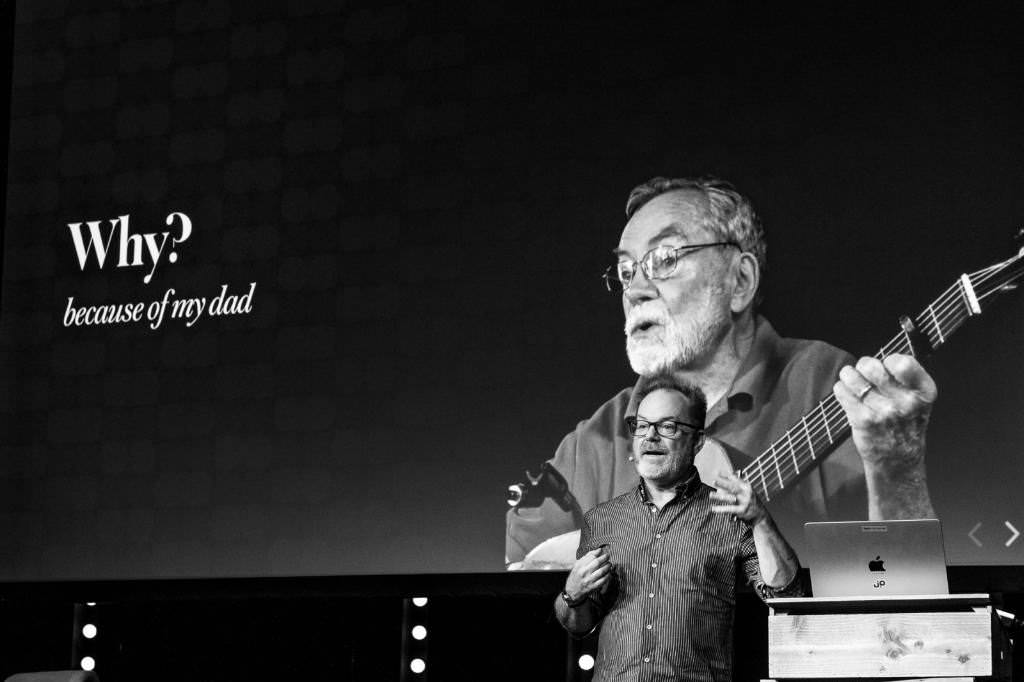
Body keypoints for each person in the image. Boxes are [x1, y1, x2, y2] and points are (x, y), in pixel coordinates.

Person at [507, 176, 937, 567]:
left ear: (740, 281)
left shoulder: (828, 386)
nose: (635, 290)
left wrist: (895, 468)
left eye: (665, 258)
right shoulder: (594, 443)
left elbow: (899, 588)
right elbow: (521, 592)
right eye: (626, 271)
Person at [555, 375, 805, 681]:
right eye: (642, 426)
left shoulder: (729, 515)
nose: (650, 437)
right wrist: (572, 595)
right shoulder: (602, 519)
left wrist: (761, 521)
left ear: (698, 441)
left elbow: (787, 596)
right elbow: (579, 624)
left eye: (668, 426)